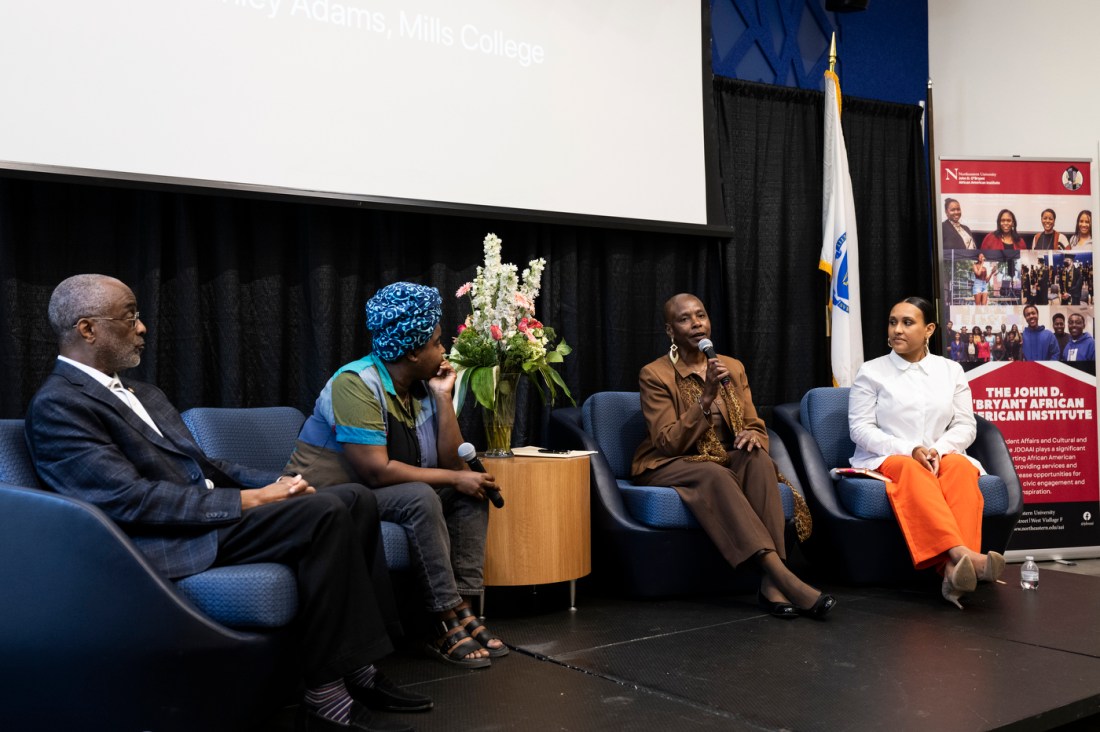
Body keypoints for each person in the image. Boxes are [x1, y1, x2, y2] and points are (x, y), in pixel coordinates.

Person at [24, 275, 427, 732]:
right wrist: (249, 500)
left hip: (203, 516)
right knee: (327, 512)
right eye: (130, 316)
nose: (143, 328)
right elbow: (127, 500)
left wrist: (283, 481)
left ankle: (359, 668)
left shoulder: (144, 392)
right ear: (87, 329)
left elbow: (206, 463)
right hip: (158, 540)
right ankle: (326, 694)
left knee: (353, 498)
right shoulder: (58, 405)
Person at [285, 282, 507, 669]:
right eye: (437, 342)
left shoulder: (417, 387)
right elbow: (375, 472)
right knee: (422, 495)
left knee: (471, 490)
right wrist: (453, 478)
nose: (444, 350)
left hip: (372, 496)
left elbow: (451, 462)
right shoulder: (354, 384)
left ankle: (465, 607)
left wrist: (442, 396)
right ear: (413, 350)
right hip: (324, 499)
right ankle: (441, 618)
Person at [631, 293, 835, 620]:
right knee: (714, 473)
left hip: (724, 455)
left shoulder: (732, 367)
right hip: (667, 463)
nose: (696, 323)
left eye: (701, 315)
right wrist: (706, 397)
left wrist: (754, 434)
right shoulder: (655, 375)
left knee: (758, 461)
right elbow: (668, 442)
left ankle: (771, 585)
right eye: (685, 319)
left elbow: (754, 423)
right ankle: (782, 576)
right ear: (670, 330)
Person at [849, 297, 1005, 609]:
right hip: (887, 456)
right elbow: (860, 429)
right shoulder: (871, 371)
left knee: (961, 468)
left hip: (940, 454)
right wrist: (910, 449)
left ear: (929, 329)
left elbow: (965, 425)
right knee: (911, 469)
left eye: (908, 322)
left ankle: (952, 572)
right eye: (893, 322)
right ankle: (964, 556)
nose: (897, 330)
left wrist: (938, 449)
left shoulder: (951, 370)